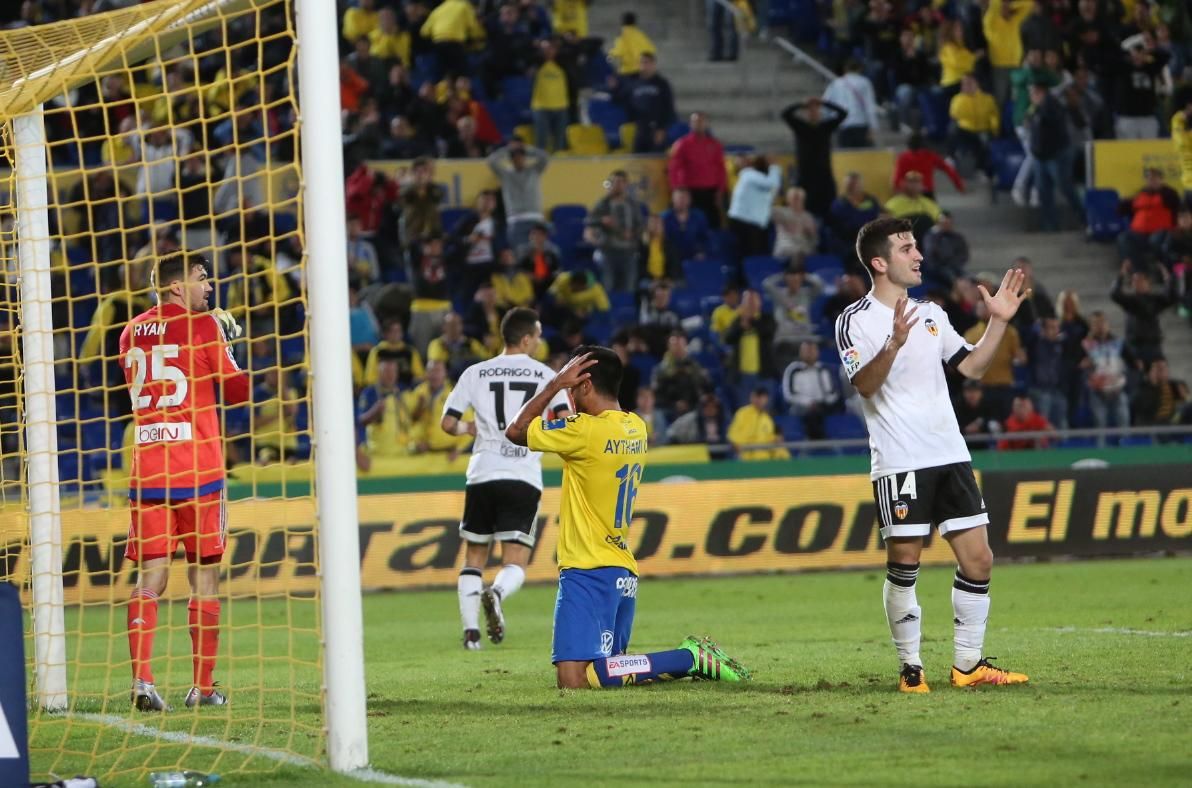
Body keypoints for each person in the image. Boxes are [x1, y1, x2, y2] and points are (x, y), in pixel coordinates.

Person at [836, 217, 1030, 693]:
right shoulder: (854, 320)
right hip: (900, 461)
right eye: (906, 248)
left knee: (979, 559)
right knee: (905, 563)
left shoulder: (932, 313)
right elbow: (864, 385)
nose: (918, 255)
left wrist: (998, 322)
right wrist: (893, 343)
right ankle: (911, 668)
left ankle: (968, 666)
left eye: (916, 246)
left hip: (950, 454)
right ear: (880, 262)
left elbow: (973, 367)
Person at [504, 346, 751, 687]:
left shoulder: (584, 431)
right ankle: (685, 661)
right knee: (608, 672)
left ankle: (691, 658)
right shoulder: (636, 427)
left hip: (588, 568)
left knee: (573, 679)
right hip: (621, 570)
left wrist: (554, 385)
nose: (570, 396)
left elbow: (516, 431)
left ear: (585, 384)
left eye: (573, 388)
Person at [121, 252, 251, 711]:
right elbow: (238, 391)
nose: (209, 286)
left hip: (148, 471)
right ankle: (204, 688)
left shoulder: (129, 331)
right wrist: (230, 345)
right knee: (204, 577)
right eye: (202, 278)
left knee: (151, 578)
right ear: (178, 286)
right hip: (198, 471)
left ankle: (143, 681)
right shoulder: (204, 327)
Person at [439, 308, 570, 649]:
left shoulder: (475, 372)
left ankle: (471, 635)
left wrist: (471, 428)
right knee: (515, 561)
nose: (539, 342)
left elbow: (448, 423)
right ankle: (496, 592)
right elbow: (566, 420)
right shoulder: (548, 376)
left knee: (474, 556)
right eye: (537, 336)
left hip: (482, 471)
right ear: (525, 339)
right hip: (522, 475)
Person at [780, 97, 846, 216]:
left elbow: (843, 114)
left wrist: (824, 103)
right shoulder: (800, 126)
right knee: (806, 208)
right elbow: (785, 114)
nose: (813, 113)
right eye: (810, 110)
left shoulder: (826, 127)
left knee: (828, 207)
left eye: (816, 110)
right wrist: (802, 104)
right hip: (805, 174)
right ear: (806, 113)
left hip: (824, 174)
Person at [585, 170, 646, 293]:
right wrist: (602, 220)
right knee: (608, 286)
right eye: (615, 182)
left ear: (626, 184)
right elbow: (589, 220)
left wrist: (633, 234)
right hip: (608, 251)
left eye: (621, 182)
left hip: (629, 251)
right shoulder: (603, 203)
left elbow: (641, 224)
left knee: (629, 286)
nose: (618, 185)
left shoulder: (633, 204)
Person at [667, 112, 728, 227]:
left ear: (706, 124)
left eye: (701, 121)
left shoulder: (715, 145)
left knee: (713, 221)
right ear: (690, 124)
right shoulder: (682, 144)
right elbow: (674, 168)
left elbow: (721, 168)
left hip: (711, 191)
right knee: (692, 222)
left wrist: (721, 190)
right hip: (691, 191)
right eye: (695, 122)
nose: (698, 124)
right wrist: (676, 189)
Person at [487, 139, 549, 250]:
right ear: (511, 160)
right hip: (516, 220)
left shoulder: (534, 170)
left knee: (540, 253)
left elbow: (545, 157)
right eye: (515, 157)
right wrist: (509, 149)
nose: (519, 159)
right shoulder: (505, 174)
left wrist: (525, 148)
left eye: (521, 156)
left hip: (535, 218)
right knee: (519, 253)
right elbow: (491, 161)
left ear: (525, 158)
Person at [727, 155, 783, 259]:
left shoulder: (760, 183)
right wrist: (774, 167)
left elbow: (772, 191)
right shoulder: (749, 174)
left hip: (755, 224)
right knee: (750, 256)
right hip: (743, 222)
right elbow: (772, 184)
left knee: (758, 256)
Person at [821, 59, 878, 148]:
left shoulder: (836, 83)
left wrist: (829, 124)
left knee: (846, 155)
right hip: (860, 125)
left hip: (842, 125)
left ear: (845, 69)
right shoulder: (864, 82)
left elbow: (825, 105)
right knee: (862, 155)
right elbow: (869, 106)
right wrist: (873, 127)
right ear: (860, 69)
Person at [893, 133, 964, 199]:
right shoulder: (929, 156)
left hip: (909, 193)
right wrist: (959, 185)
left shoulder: (903, 158)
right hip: (927, 193)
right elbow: (948, 169)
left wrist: (898, 189)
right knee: (932, 208)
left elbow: (897, 178)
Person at [728, 387, 789, 460]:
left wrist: (775, 439)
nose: (759, 400)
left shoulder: (768, 419)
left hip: (764, 461)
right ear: (752, 397)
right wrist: (739, 451)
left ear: (766, 399)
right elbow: (733, 436)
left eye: (762, 398)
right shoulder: (742, 413)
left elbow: (770, 439)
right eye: (757, 397)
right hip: (745, 460)